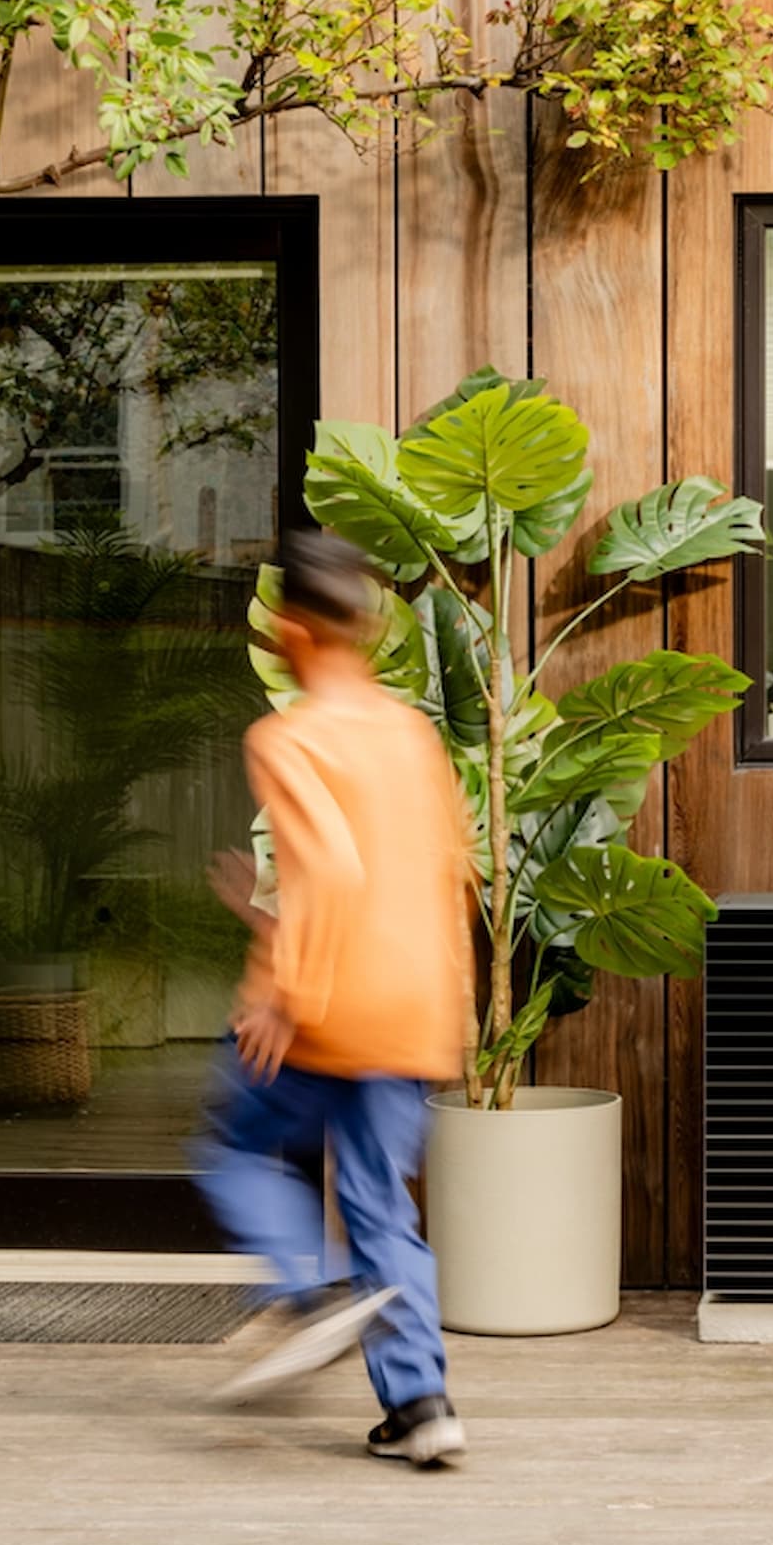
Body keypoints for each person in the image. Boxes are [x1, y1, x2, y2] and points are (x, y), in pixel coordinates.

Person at [193, 527, 473, 1467]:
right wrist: (456, 1005)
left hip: (330, 1009)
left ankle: (315, 1291)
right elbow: (446, 872)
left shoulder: (287, 734)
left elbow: (333, 871)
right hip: (415, 1006)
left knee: (232, 1147)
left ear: (299, 634)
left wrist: (282, 990)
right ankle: (423, 1408)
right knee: (379, 1200)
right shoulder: (411, 732)